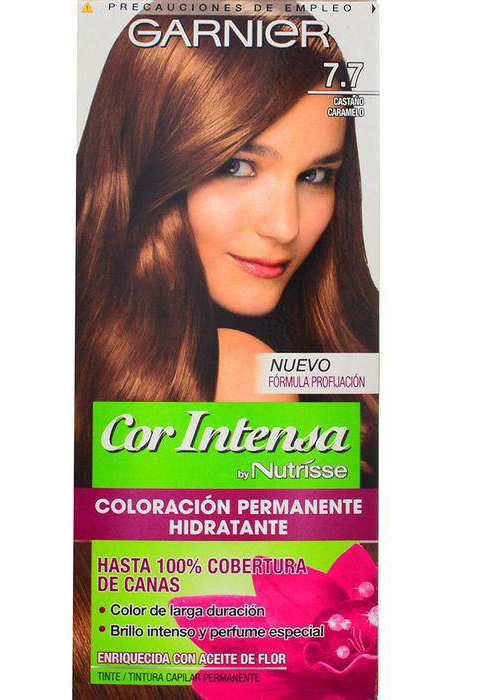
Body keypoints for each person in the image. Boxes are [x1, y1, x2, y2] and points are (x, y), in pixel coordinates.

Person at [75, 13, 378, 485]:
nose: (285, 226)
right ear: (148, 163)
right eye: (237, 167)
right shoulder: (244, 377)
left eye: (315, 176)